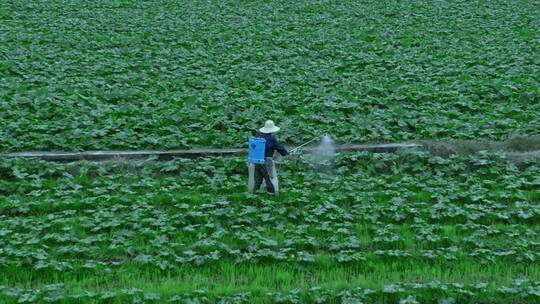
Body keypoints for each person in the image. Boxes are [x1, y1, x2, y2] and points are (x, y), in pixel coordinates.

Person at [248, 120, 288, 194]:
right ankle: (273, 194)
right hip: (266, 161)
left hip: (256, 161)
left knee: (257, 179)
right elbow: (279, 147)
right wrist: (285, 153)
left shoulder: (257, 135)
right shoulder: (271, 138)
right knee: (270, 178)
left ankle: (254, 193)